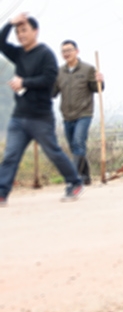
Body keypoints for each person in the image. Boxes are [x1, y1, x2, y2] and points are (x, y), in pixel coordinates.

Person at [0, 13, 84, 205]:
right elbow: (1, 42)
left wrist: (24, 82)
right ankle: (1, 192)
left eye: (24, 30)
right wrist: (9, 23)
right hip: (19, 117)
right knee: (11, 155)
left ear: (35, 31)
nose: (20, 35)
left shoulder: (45, 54)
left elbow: (49, 79)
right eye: (18, 32)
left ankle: (75, 182)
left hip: (40, 117)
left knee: (53, 151)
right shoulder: (19, 54)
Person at [53, 40, 104, 186]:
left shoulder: (87, 69)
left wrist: (100, 80)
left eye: (69, 50)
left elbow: (97, 88)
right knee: (74, 147)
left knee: (78, 142)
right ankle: (86, 176)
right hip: (67, 115)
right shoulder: (59, 72)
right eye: (64, 51)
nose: (67, 53)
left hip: (84, 113)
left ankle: (74, 177)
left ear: (77, 51)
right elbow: (53, 92)